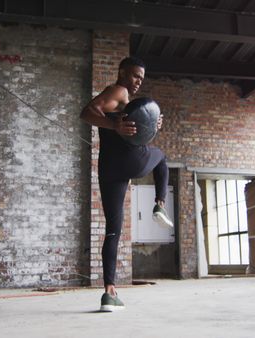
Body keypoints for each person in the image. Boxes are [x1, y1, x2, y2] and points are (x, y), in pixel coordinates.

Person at [80, 56, 174, 312]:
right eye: (134, 75)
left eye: (141, 79)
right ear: (122, 72)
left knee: (113, 230)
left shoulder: (124, 101)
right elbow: (87, 112)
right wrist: (113, 124)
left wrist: (153, 127)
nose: (137, 82)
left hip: (109, 169)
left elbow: (132, 130)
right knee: (161, 157)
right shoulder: (117, 91)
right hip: (129, 162)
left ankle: (109, 293)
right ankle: (159, 204)